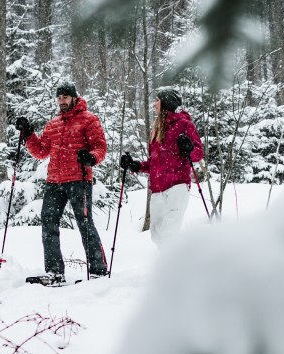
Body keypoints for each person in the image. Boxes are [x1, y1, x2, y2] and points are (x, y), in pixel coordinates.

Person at [15, 82, 108, 284]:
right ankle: (55, 272)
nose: (61, 101)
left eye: (65, 97)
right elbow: (41, 151)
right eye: (59, 97)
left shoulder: (89, 119)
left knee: (84, 223)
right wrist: (29, 133)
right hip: (54, 182)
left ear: (74, 97)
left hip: (79, 179)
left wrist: (91, 157)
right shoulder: (53, 124)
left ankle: (98, 271)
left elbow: (100, 147)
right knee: (48, 223)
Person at [120, 87, 204, 245]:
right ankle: (174, 265)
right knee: (157, 236)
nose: (154, 104)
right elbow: (154, 162)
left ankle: (178, 267)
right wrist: (136, 165)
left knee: (168, 234)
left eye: (157, 100)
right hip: (157, 189)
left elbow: (198, 153)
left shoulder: (184, 124)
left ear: (166, 102)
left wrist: (189, 148)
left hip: (177, 187)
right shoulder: (157, 128)